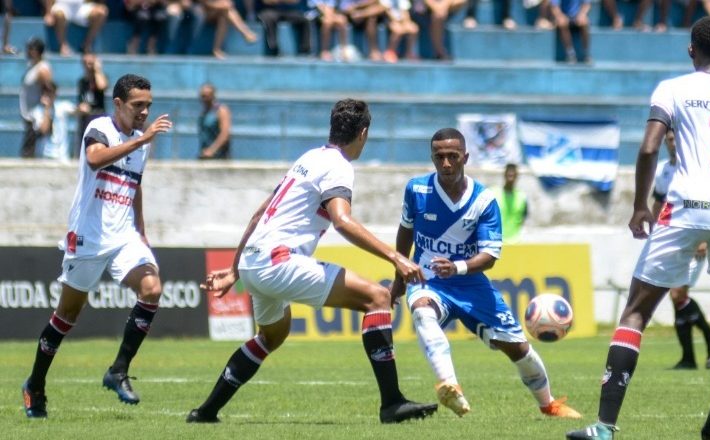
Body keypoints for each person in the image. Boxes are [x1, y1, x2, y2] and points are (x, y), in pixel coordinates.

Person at [566, 16, 710, 440]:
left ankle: (604, 426)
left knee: (636, 309)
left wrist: (639, 205)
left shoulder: (672, 89)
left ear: (691, 50)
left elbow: (650, 146)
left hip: (687, 204)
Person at [186, 99, 438, 424]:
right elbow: (342, 221)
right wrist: (396, 257)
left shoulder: (309, 157)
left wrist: (236, 270)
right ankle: (392, 403)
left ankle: (206, 412)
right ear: (363, 133)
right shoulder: (339, 166)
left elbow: (260, 213)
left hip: (254, 262)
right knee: (377, 298)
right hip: (280, 261)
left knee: (271, 336)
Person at [389, 128, 582, 419]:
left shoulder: (483, 200)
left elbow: (490, 256)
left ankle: (549, 404)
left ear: (465, 157)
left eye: (452, 157)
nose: (446, 164)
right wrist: (400, 277)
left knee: (518, 349)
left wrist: (458, 267)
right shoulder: (417, 190)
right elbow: (405, 232)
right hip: (428, 280)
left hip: (471, 285)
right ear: (432, 157)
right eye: (439, 157)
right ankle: (449, 384)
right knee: (422, 312)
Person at [21, 74, 173, 418]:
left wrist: (142, 230)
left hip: (123, 236)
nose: (144, 112)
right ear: (118, 104)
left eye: (148, 105)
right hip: (87, 236)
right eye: (138, 105)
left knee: (152, 289)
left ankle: (118, 370)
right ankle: (35, 385)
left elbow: (135, 185)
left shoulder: (141, 141)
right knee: (67, 316)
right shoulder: (99, 128)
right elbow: (95, 159)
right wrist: (142, 140)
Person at [652, 129, 710, 370]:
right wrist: (651, 229)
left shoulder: (696, 170)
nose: (672, 143)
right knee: (676, 297)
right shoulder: (663, 170)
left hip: (694, 238)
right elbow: (659, 202)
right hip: (669, 239)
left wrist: (705, 238)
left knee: (678, 294)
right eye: (669, 139)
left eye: (676, 139)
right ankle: (688, 358)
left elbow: (708, 202)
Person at [20, 38, 53, 159]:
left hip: (36, 118)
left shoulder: (42, 69)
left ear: (36, 51)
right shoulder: (32, 66)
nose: (27, 51)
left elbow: (49, 92)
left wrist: (46, 114)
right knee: (27, 153)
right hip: (29, 116)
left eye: (30, 48)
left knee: (30, 154)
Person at [44, 0, 109, 56]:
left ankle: (86, 45)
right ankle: (62, 45)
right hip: (61, 6)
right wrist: (48, 13)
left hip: (80, 8)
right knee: (59, 15)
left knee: (102, 12)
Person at [32, 81, 77, 161]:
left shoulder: (62, 107)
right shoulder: (37, 111)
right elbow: (43, 130)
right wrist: (47, 109)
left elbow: (77, 110)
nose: (48, 96)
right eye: (45, 93)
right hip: (44, 156)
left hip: (62, 156)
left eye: (51, 93)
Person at [77, 54, 108, 153]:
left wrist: (97, 69)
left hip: (98, 115)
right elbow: (81, 100)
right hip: (86, 117)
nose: (88, 66)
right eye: (85, 63)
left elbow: (102, 86)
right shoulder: (82, 81)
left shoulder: (100, 77)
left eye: (90, 63)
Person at [493, 163, 528, 243]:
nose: (511, 177)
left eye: (513, 175)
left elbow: (523, 217)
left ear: (517, 176)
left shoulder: (522, 197)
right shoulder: (493, 194)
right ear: (504, 175)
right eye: (509, 175)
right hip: (497, 242)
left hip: (516, 242)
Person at [197, 83, 231, 159]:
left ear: (212, 96)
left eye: (206, 96)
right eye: (202, 96)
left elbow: (225, 134)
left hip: (219, 156)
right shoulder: (204, 113)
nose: (204, 99)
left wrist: (212, 150)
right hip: (204, 154)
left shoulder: (221, 110)